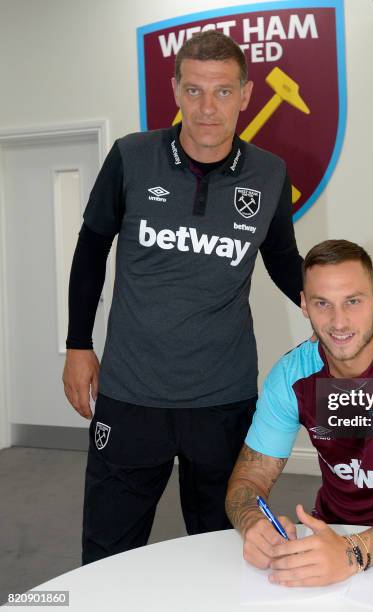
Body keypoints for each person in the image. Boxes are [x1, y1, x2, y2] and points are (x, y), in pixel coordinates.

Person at [62, 31, 303, 565]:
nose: (207, 108)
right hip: (130, 393)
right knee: (108, 551)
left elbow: (284, 261)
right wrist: (78, 343)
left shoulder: (269, 174)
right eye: (194, 91)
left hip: (223, 395)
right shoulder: (131, 157)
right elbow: (91, 248)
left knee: (225, 548)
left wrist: (332, 311)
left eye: (221, 92)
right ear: (174, 90)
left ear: (245, 94)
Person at [226, 239, 373, 587]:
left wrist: (353, 553)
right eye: (322, 303)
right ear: (304, 306)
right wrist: (252, 522)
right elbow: (248, 481)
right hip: (333, 533)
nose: (339, 322)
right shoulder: (292, 375)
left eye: (353, 302)